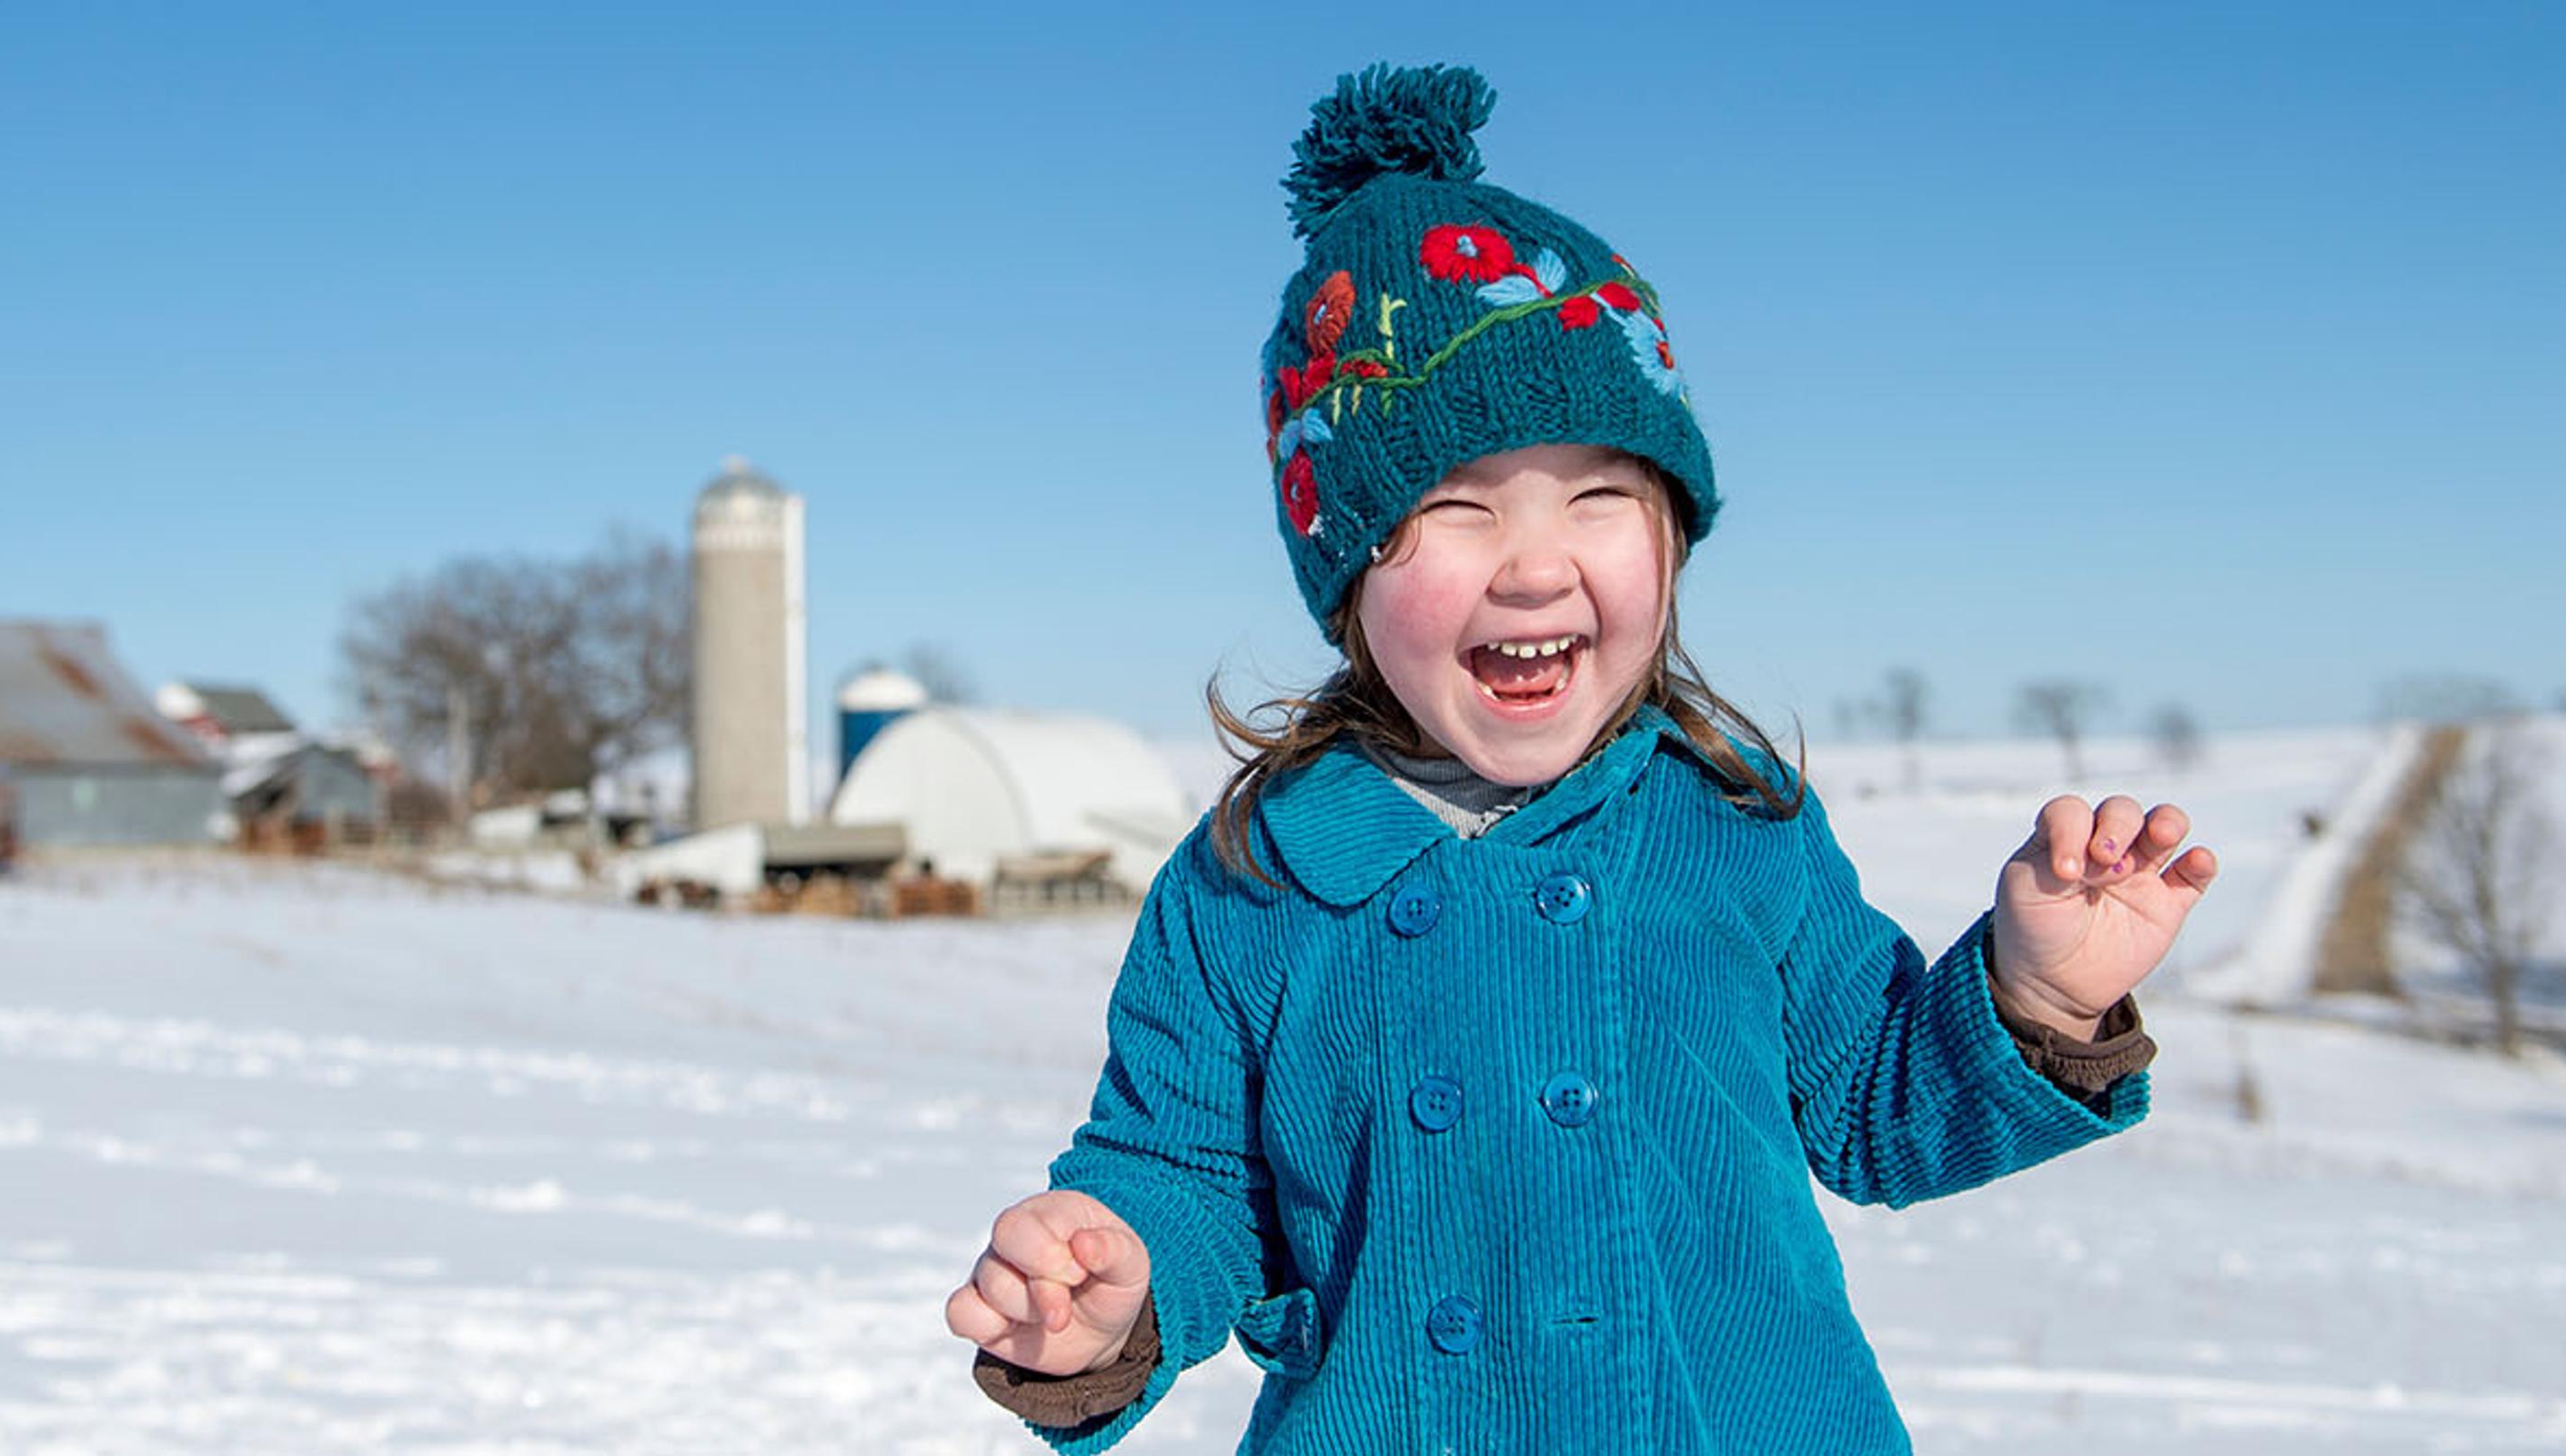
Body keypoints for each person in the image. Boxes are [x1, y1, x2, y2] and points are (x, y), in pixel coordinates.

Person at [942, 63, 2218, 1453]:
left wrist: (2035, 997)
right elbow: (1186, 1177)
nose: (1538, 565)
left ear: (1671, 538)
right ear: (1349, 566)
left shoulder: (1735, 824)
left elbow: (1876, 1108)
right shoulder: (1249, 881)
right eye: (1458, 508)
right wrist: (1108, 1294)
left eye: (1602, 495)